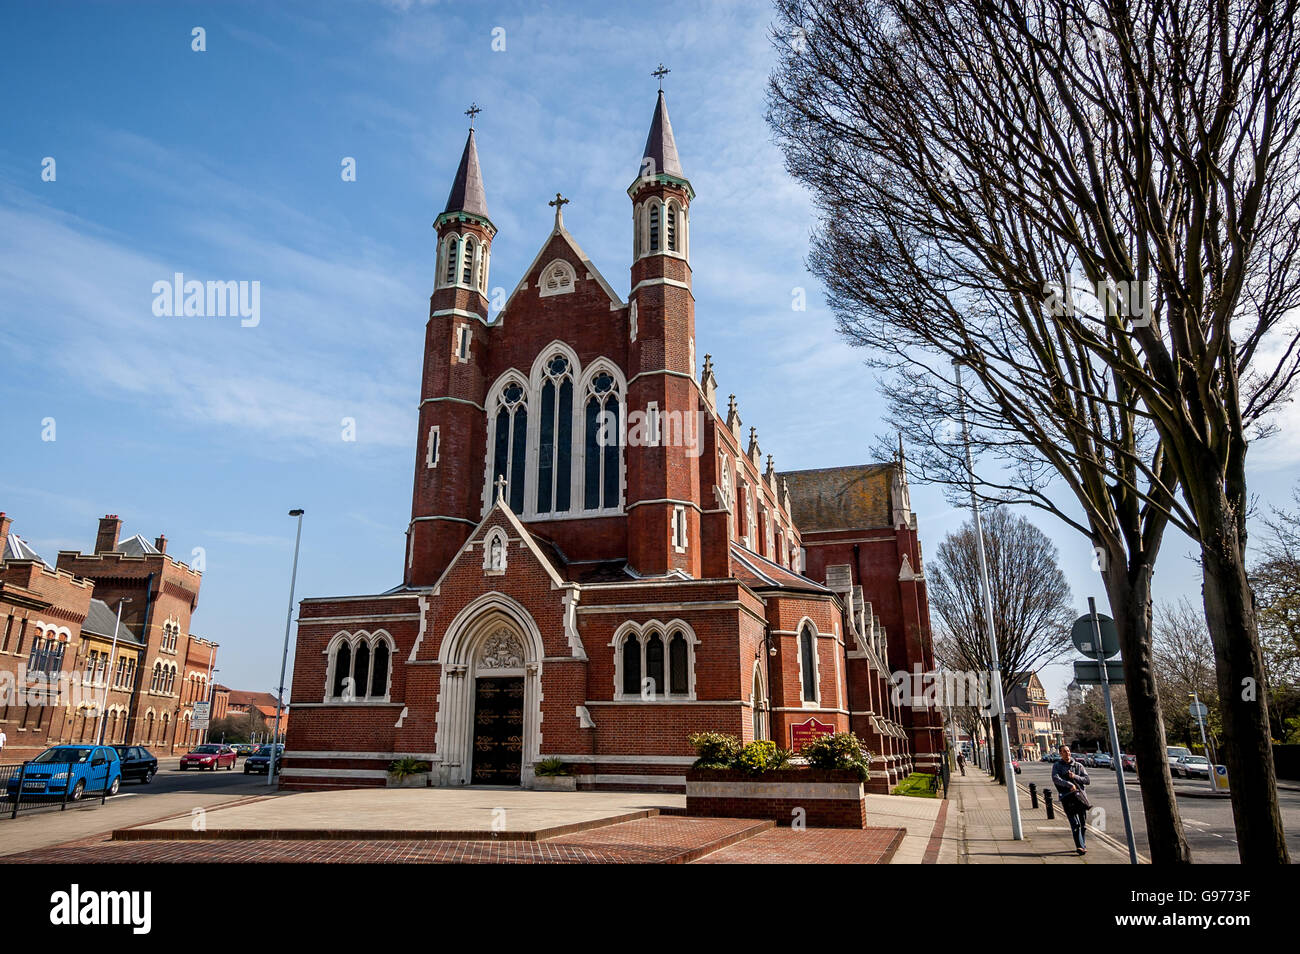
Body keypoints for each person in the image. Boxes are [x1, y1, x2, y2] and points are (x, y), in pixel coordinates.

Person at [1052, 744, 1091, 855]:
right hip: (1067, 798)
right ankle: (1079, 846)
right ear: (1060, 753)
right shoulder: (1057, 766)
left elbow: (1087, 780)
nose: (1067, 753)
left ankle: (1083, 844)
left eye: (1068, 751)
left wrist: (1074, 777)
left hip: (1080, 798)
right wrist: (1068, 784)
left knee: (1083, 825)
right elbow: (1055, 778)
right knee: (1075, 824)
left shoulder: (1078, 766)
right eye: (1064, 751)